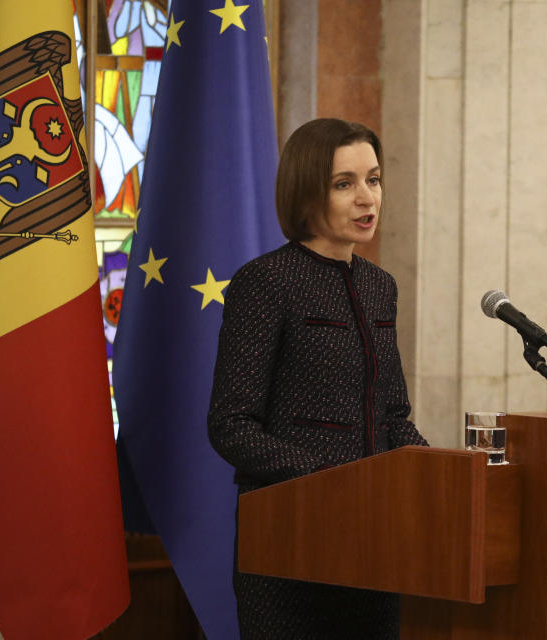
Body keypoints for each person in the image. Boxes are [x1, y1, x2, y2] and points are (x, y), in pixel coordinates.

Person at [208, 118, 428, 639]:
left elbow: (393, 416)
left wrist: (439, 472)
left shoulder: (380, 287)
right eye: (344, 183)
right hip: (290, 541)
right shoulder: (265, 282)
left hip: (374, 543)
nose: (365, 198)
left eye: (373, 180)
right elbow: (231, 424)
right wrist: (330, 480)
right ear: (307, 192)